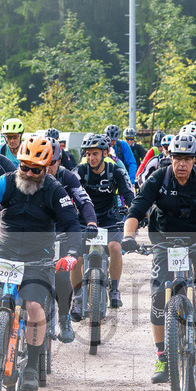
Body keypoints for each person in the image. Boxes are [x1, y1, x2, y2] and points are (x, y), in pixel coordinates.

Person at [0, 135, 82, 391]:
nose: (29, 173)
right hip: (5, 250)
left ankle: (32, 364)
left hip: (38, 257)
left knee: (34, 307)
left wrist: (72, 253)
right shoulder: (5, 182)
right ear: (18, 163)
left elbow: (72, 224)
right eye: (24, 166)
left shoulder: (54, 189)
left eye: (36, 169)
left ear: (45, 169)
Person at [121, 132, 196, 383]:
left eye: (187, 159)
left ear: (195, 159)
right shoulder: (158, 178)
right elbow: (137, 208)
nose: (181, 164)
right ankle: (163, 356)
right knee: (157, 298)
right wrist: (129, 237)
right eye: (177, 158)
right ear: (169, 158)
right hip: (165, 238)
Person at [74, 132, 134, 314]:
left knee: (115, 248)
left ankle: (114, 289)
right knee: (76, 257)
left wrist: (135, 211)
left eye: (95, 153)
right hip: (84, 220)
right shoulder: (80, 171)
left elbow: (129, 194)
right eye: (88, 154)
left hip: (109, 219)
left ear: (105, 153)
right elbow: (68, 192)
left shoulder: (115, 171)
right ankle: (77, 295)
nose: (91, 158)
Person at [47, 139, 97, 344]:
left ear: (60, 160)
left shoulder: (68, 177)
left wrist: (91, 222)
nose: (47, 167)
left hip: (63, 229)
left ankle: (65, 318)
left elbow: (84, 201)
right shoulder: (30, 174)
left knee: (61, 276)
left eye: (52, 162)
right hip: (38, 231)